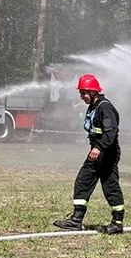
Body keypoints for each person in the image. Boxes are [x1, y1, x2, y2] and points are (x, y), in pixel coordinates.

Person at [53, 74, 125, 234]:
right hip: (96, 152)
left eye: (83, 93)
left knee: (110, 186)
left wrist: (99, 147)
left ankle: (117, 223)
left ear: (93, 92)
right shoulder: (93, 106)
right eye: (81, 93)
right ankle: (76, 220)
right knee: (83, 181)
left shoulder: (105, 107)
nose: (81, 97)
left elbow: (111, 132)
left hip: (108, 153)